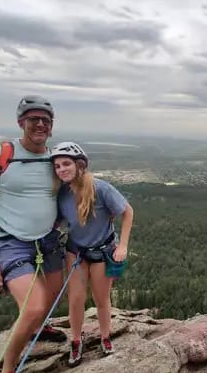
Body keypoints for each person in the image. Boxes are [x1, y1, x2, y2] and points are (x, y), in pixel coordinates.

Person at [0, 95, 67, 373]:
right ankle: (9, 367)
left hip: (47, 239)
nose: (39, 124)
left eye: (45, 121)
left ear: (51, 126)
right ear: (20, 122)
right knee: (34, 306)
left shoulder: (55, 159)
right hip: (8, 241)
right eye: (33, 119)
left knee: (50, 299)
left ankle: (38, 329)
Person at [50, 141, 134, 367]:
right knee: (76, 299)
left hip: (101, 251)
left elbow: (127, 212)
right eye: (57, 166)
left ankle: (105, 336)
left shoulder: (101, 188)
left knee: (101, 299)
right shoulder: (63, 194)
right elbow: (59, 221)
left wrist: (122, 246)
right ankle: (76, 339)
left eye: (66, 164)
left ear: (80, 165)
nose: (61, 169)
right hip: (76, 251)